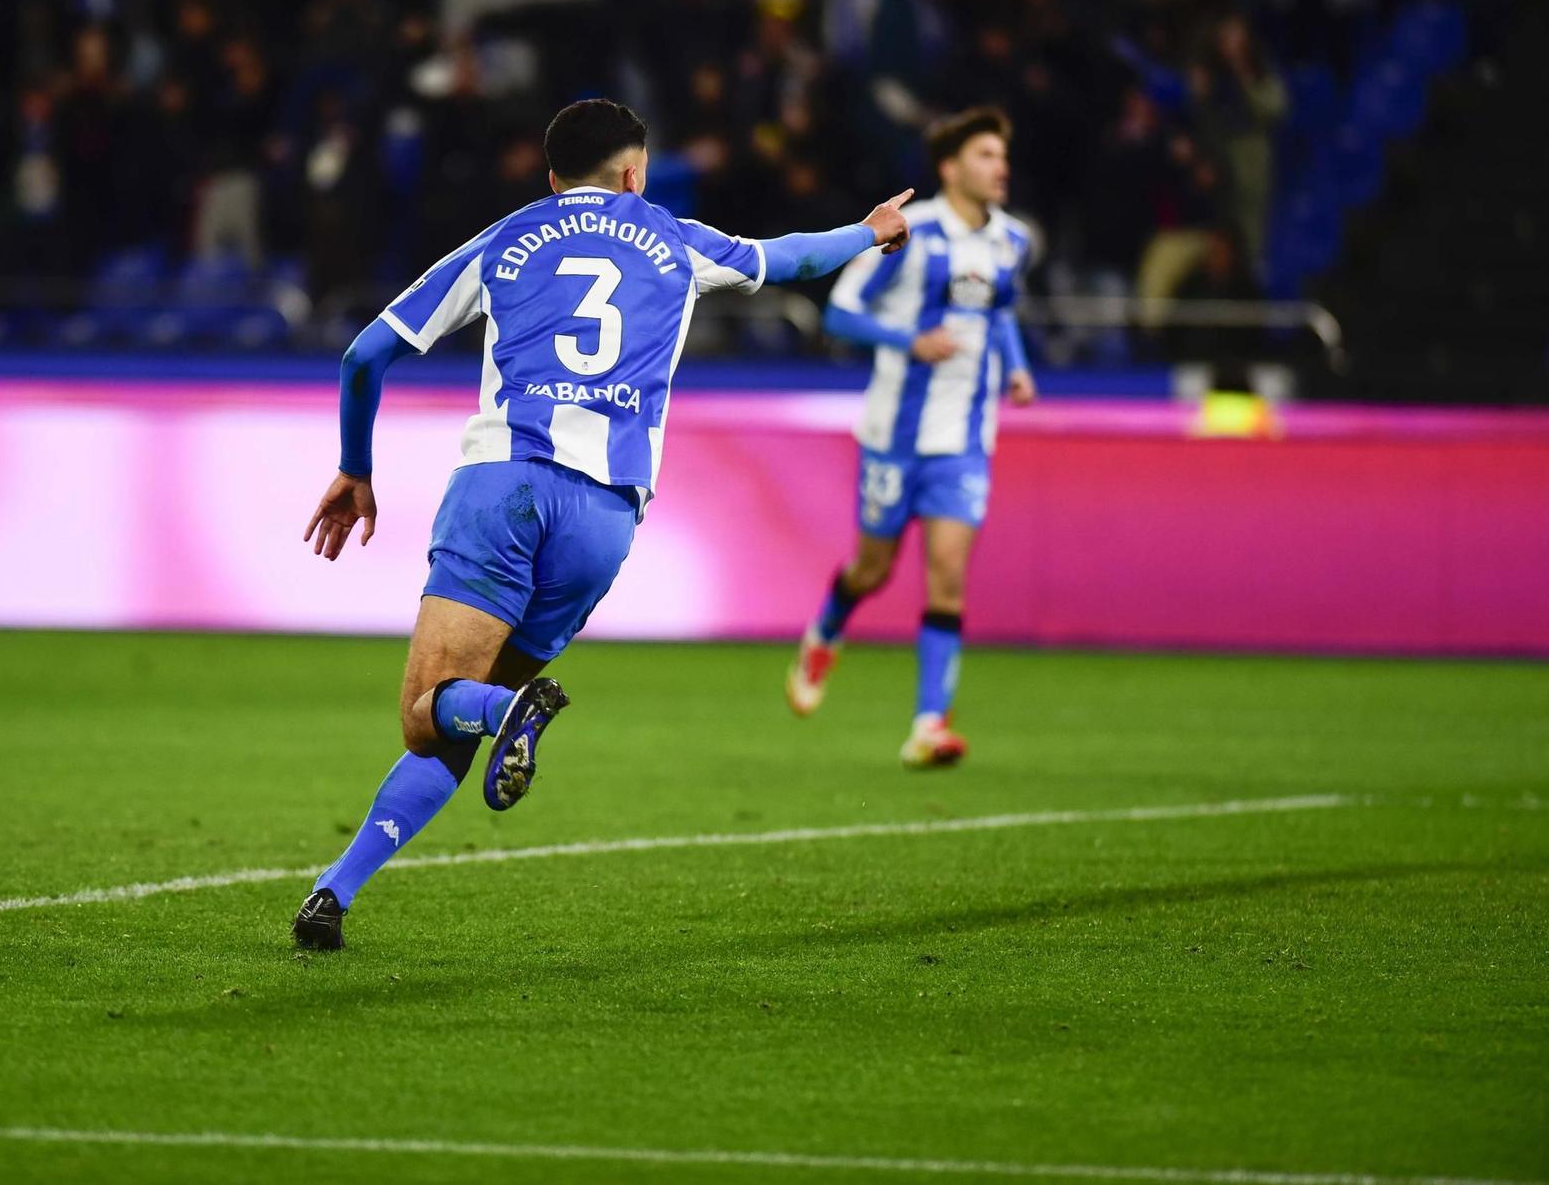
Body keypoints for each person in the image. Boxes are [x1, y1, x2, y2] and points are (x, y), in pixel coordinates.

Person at [291, 99, 915, 950]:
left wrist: (357, 467)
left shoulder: (507, 238)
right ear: (635, 172)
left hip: (502, 488)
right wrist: (872, 229)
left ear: (552, 179)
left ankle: (479, 740)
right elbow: (794, 257)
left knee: (428, 711)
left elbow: (365, 352)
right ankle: (334, 892)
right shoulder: (677, 238)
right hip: (606, 516)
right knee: (470, 713)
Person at [784, 107, 1037, 768]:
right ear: (950, 168)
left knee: (948, 576)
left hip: (965, 439)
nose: (999, 166)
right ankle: (825, 632)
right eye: (985, 154)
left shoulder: (1013, 240)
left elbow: (1001, 309)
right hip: (894, 435)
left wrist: (1016, 367)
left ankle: (929, 724)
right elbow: (839, 312)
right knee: (874, 568)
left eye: (1001, 155)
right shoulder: (912, 233)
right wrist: (909, 339)